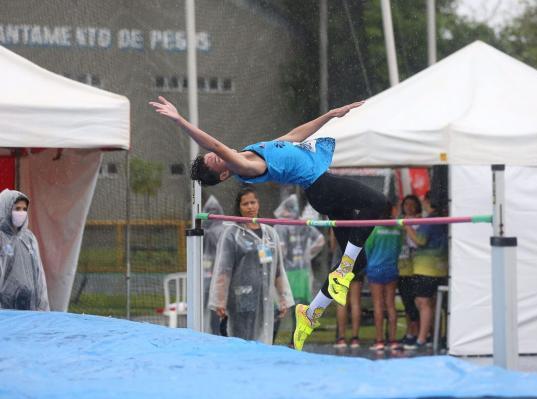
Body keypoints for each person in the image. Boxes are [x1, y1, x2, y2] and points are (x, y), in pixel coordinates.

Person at [150, 96, 387, 351]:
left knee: (358, 263)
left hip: (323, 190)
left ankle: (311, 313)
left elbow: (294, 135)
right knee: (380, 204)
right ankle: (342, 271)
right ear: (224, 172)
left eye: (213, 155)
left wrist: (330, 114)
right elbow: (216, 145)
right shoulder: (245, 166)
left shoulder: (254, 149)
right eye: (217, 159)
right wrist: (180, 120)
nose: (218, 153)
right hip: (322, 187)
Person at [207, 186, 294, 344]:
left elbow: (278, 270)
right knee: (242, 341)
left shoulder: (270, 233)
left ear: (258, 204)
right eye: (245, 204)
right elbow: (223, 269)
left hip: (266, 299)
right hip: (241, 298)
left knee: (264, 342)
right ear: (238, 207)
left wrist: (283, 298)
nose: (250, 207)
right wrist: (220, 300)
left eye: (252, 202)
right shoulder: (232, 234)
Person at [272, 194, 325, 344]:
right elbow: (320, 240)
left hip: (285, 272)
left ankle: (271, 340)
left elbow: (280, 250)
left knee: (279, 307)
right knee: (298, 308)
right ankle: (295, 340)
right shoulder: (302, 224)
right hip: (302, 272)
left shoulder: (280, 225)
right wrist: (308, 255)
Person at [403, 191, 448, 351]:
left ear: (429, 201)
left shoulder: (429, 220)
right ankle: (435, 337)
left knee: (423, 303)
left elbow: (420, 240)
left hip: (426, 268)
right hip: (440, 268)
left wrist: (407, 226)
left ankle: (422, 339)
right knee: (434, 305)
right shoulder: (443, 218)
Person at [0, 189, 49, 311]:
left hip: (29, 306)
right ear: (6, 209)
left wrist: (43, 307)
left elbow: (39, 277)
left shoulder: (29, 239)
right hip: (6, 309)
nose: (21, 212)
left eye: (24, 209)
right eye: (17, 209)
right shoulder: (1, 238)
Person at [364, 202, 403, 352]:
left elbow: (368, 248)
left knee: (378, 305)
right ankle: (393, 340)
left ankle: (379, 340)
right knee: (390, 305)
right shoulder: (398, 229)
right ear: (392, 210)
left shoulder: (375, 228)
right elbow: (398, 248)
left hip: (375, 268)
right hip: (391, 268)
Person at [396, 194, 422, 348]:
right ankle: (409, 333)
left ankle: (417, 333)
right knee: (407, 304)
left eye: (412, 204)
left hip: (415, 269)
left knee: (415, 305)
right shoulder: (400, 221)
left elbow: (418, 241)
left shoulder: (420, 223)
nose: (409, 207)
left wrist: (407, 226)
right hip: (402, 269)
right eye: (406, 204)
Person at [201, 195, 226, 334]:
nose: (212, 213)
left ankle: (216, 335)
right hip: (204, 277)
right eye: (209, 210)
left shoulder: (222, 231)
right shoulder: (200, 231)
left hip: (217, 278)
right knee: (200, 308)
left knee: (216, 313)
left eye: (214, 210)